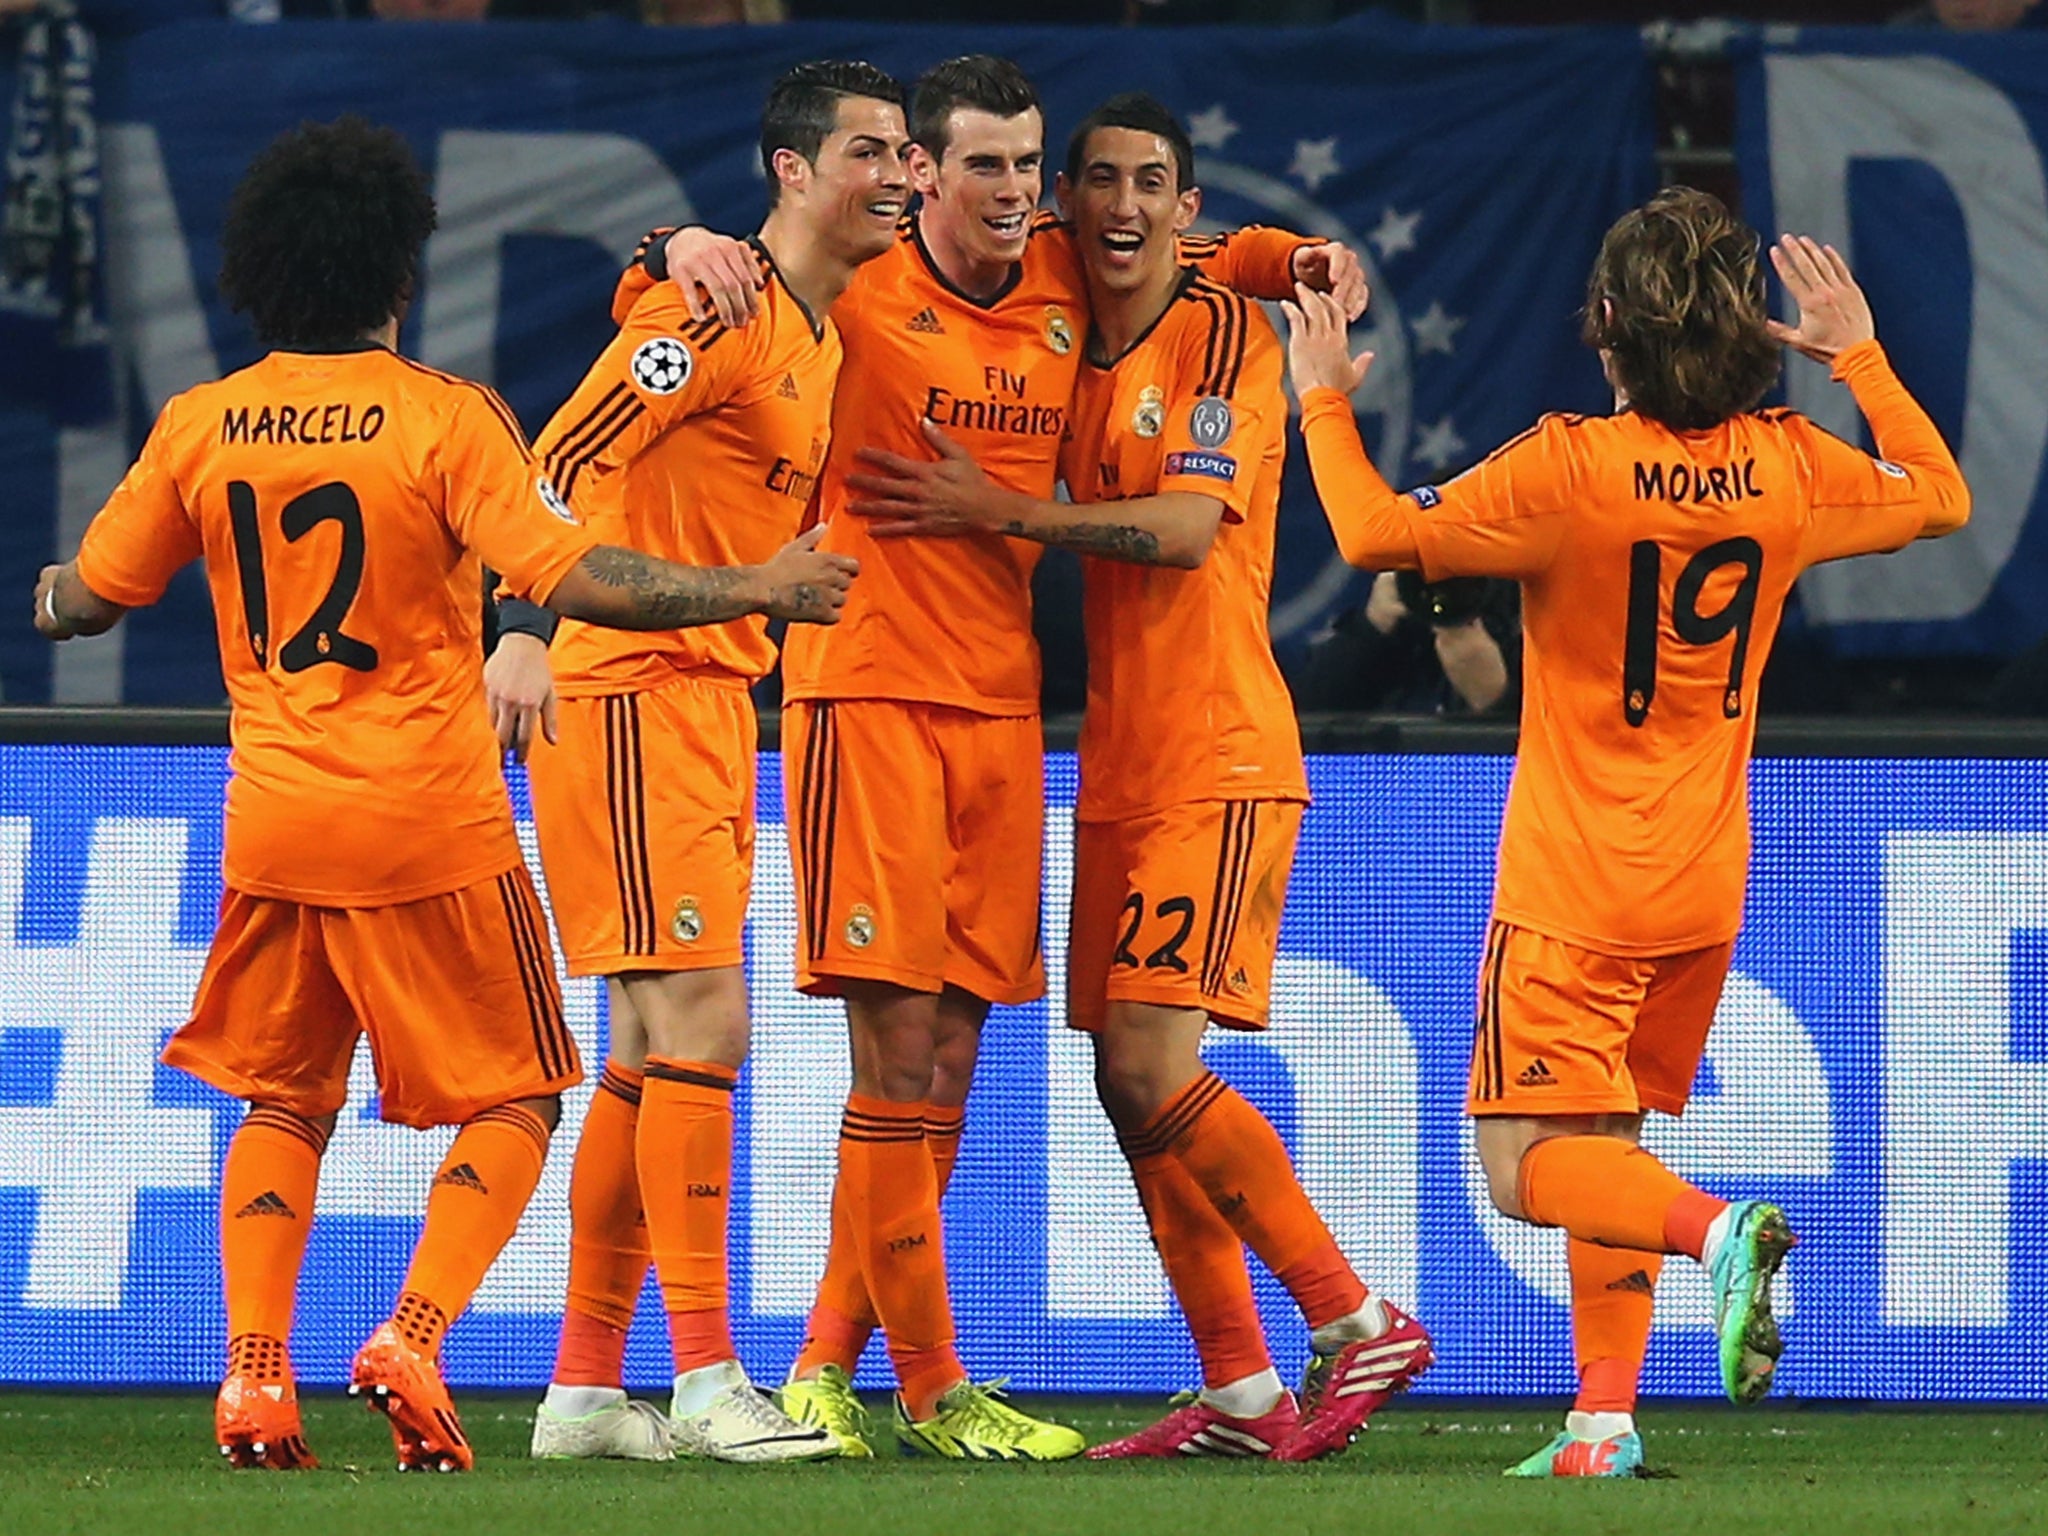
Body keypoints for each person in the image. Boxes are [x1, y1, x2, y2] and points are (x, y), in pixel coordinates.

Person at [31, 116, 855, 1475]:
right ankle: (415, 1333)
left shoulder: (201, 425)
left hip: (276, 817)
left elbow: (91, 596)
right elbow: (578, 574)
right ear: (398, 278)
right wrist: (752, 587)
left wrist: (49, 594)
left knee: (284, 1101)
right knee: (527, 1089)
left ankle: (252, 1375)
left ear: (257, 278)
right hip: (428, 813)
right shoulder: (446, 419)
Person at [586, 53, 1367, 1460]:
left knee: (948, 1059)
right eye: (981, 167)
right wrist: (671, 243)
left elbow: (1193, 240)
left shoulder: (1069, 261)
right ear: (916, 176)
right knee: (892, 1052)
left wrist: (1300, 250)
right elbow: (705, 289)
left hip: (1003, 715)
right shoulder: (855, 276)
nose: (1014, 194)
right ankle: (926, 1390)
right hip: (863, 694)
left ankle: (834, 1365)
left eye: (1029, 165)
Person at [1284, 188, 1969, 1475]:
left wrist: (1320, 391)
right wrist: (1856, 354)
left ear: (1603, 325)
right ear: (1747, 332)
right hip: (1703, 885)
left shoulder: (1565, 469)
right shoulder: (1787, 465)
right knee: (1605, 1149)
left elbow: (1377, 531)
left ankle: (1716, 1234)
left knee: (1519, 1169)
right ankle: (1601, 1423)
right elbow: (1940, 499)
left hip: (1570, 884)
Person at [845, 92, 1435, 1463]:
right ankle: (1237, 1391)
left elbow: (1177, 532)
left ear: (1185, 205)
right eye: (1096, 181)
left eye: (1148, 184)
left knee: (1154, 1064)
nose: (1118, 206)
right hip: (1119, 763)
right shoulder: (1062, 288)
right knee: (1124, 1082)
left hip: (1218, 756)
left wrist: (1007, 513)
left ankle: (1353, 1320)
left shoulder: (1220, 335)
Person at [484, 60, 909, 1464]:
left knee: (641, 1051)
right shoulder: (712, 312)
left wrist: (658, 242)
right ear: (790, 170)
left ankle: (586, 1393)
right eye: (869, 150)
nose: (900, 174)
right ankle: (713, 1374)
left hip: (709, 701)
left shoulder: (808, 324)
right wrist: (525, 621)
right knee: (704, 1028)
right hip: (629, 692)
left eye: (909, 150)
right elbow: (551, 466)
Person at [1294, 569, 1520, 715]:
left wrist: (1495, 699)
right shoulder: (1410, 620)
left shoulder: (1542, 627)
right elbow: (1304, 717)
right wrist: (1371, 630)